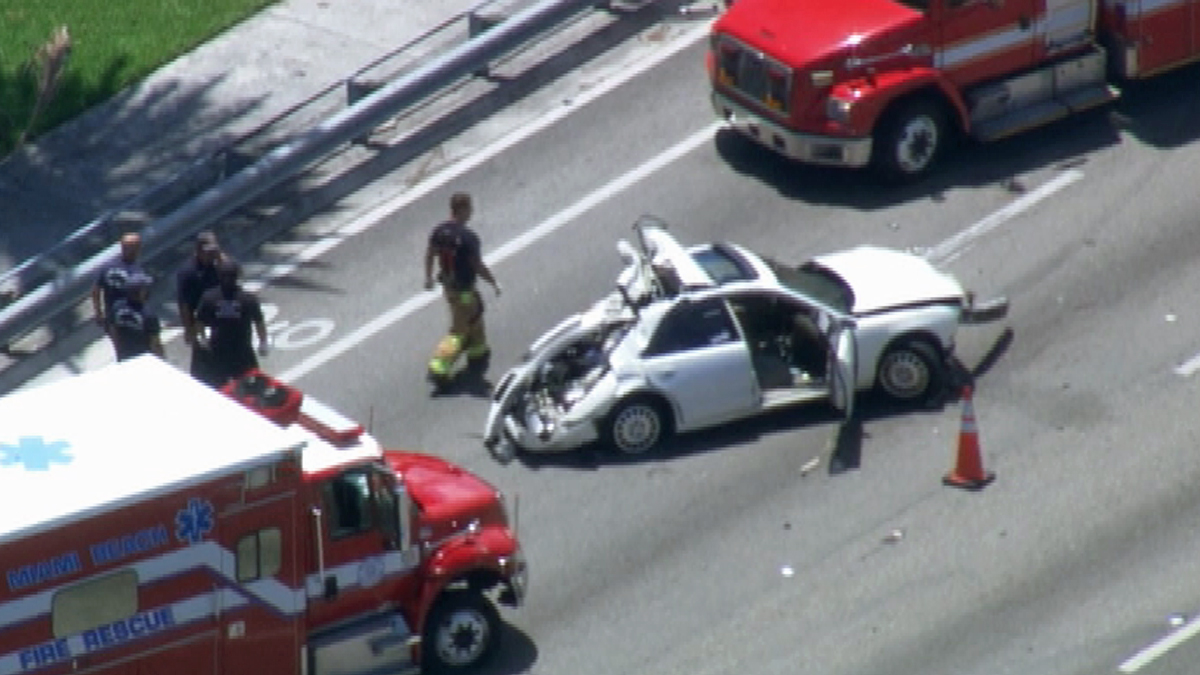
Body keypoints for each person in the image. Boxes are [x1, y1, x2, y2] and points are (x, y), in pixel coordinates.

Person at [423, 192, 501, 387]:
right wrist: (493, 282)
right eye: (470, 209)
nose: (472, 213)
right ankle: (439, 366)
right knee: (460, 330)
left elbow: (430, 254)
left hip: (449, 288)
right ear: (462, 210)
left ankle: (478, 351)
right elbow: (477, 265)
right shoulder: (468, 238)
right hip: (464, 291)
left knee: (475, 318)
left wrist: (428, 277)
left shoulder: (439, 231)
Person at [194, 259, 269, 387]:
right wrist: (263, 342)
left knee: (220, 388)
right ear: (237, 276)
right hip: (243, 351)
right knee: (253, 388)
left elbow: (199, 321)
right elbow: (259, 322)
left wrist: (203, 338)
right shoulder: (248, 299)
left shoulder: (209, 298)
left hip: (218, 350)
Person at [176, 232, 223, 383]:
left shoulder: (218, 263)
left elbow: (235, 273)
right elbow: (185, 304)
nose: (211, 255)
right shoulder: (188, 273)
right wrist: (188, 330)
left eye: (213, 251)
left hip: (222, 317)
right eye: (208, 252)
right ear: (198, 250)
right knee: (203, 358)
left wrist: (220, 256)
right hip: (202, 321)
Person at [91, 233, 146, 340]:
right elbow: (141, 296)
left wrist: (98, 313)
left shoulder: (107, 267)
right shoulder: (135, 270)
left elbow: (95, 290)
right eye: (137, 247)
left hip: (114, 317)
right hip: (130, 317)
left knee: (122, 349)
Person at [108, 272, 164, 361]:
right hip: (144, 358)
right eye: (145, 288)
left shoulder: (117, 306)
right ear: (140, 293)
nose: (148, 290)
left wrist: (118, 352)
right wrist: (162, 361)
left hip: (125, 356)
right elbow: (155, 343)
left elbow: (113, 331)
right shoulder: (148, 315)